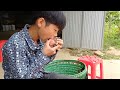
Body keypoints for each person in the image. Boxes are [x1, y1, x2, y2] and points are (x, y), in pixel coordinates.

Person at [2, 11, 78, 79]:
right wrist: (44, 54)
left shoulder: (40, 40)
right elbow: (22, 77)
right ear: (41, 22)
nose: (55, 35)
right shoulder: (15, 43)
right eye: (55, 30)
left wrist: (53, 49)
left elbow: (42, 64)